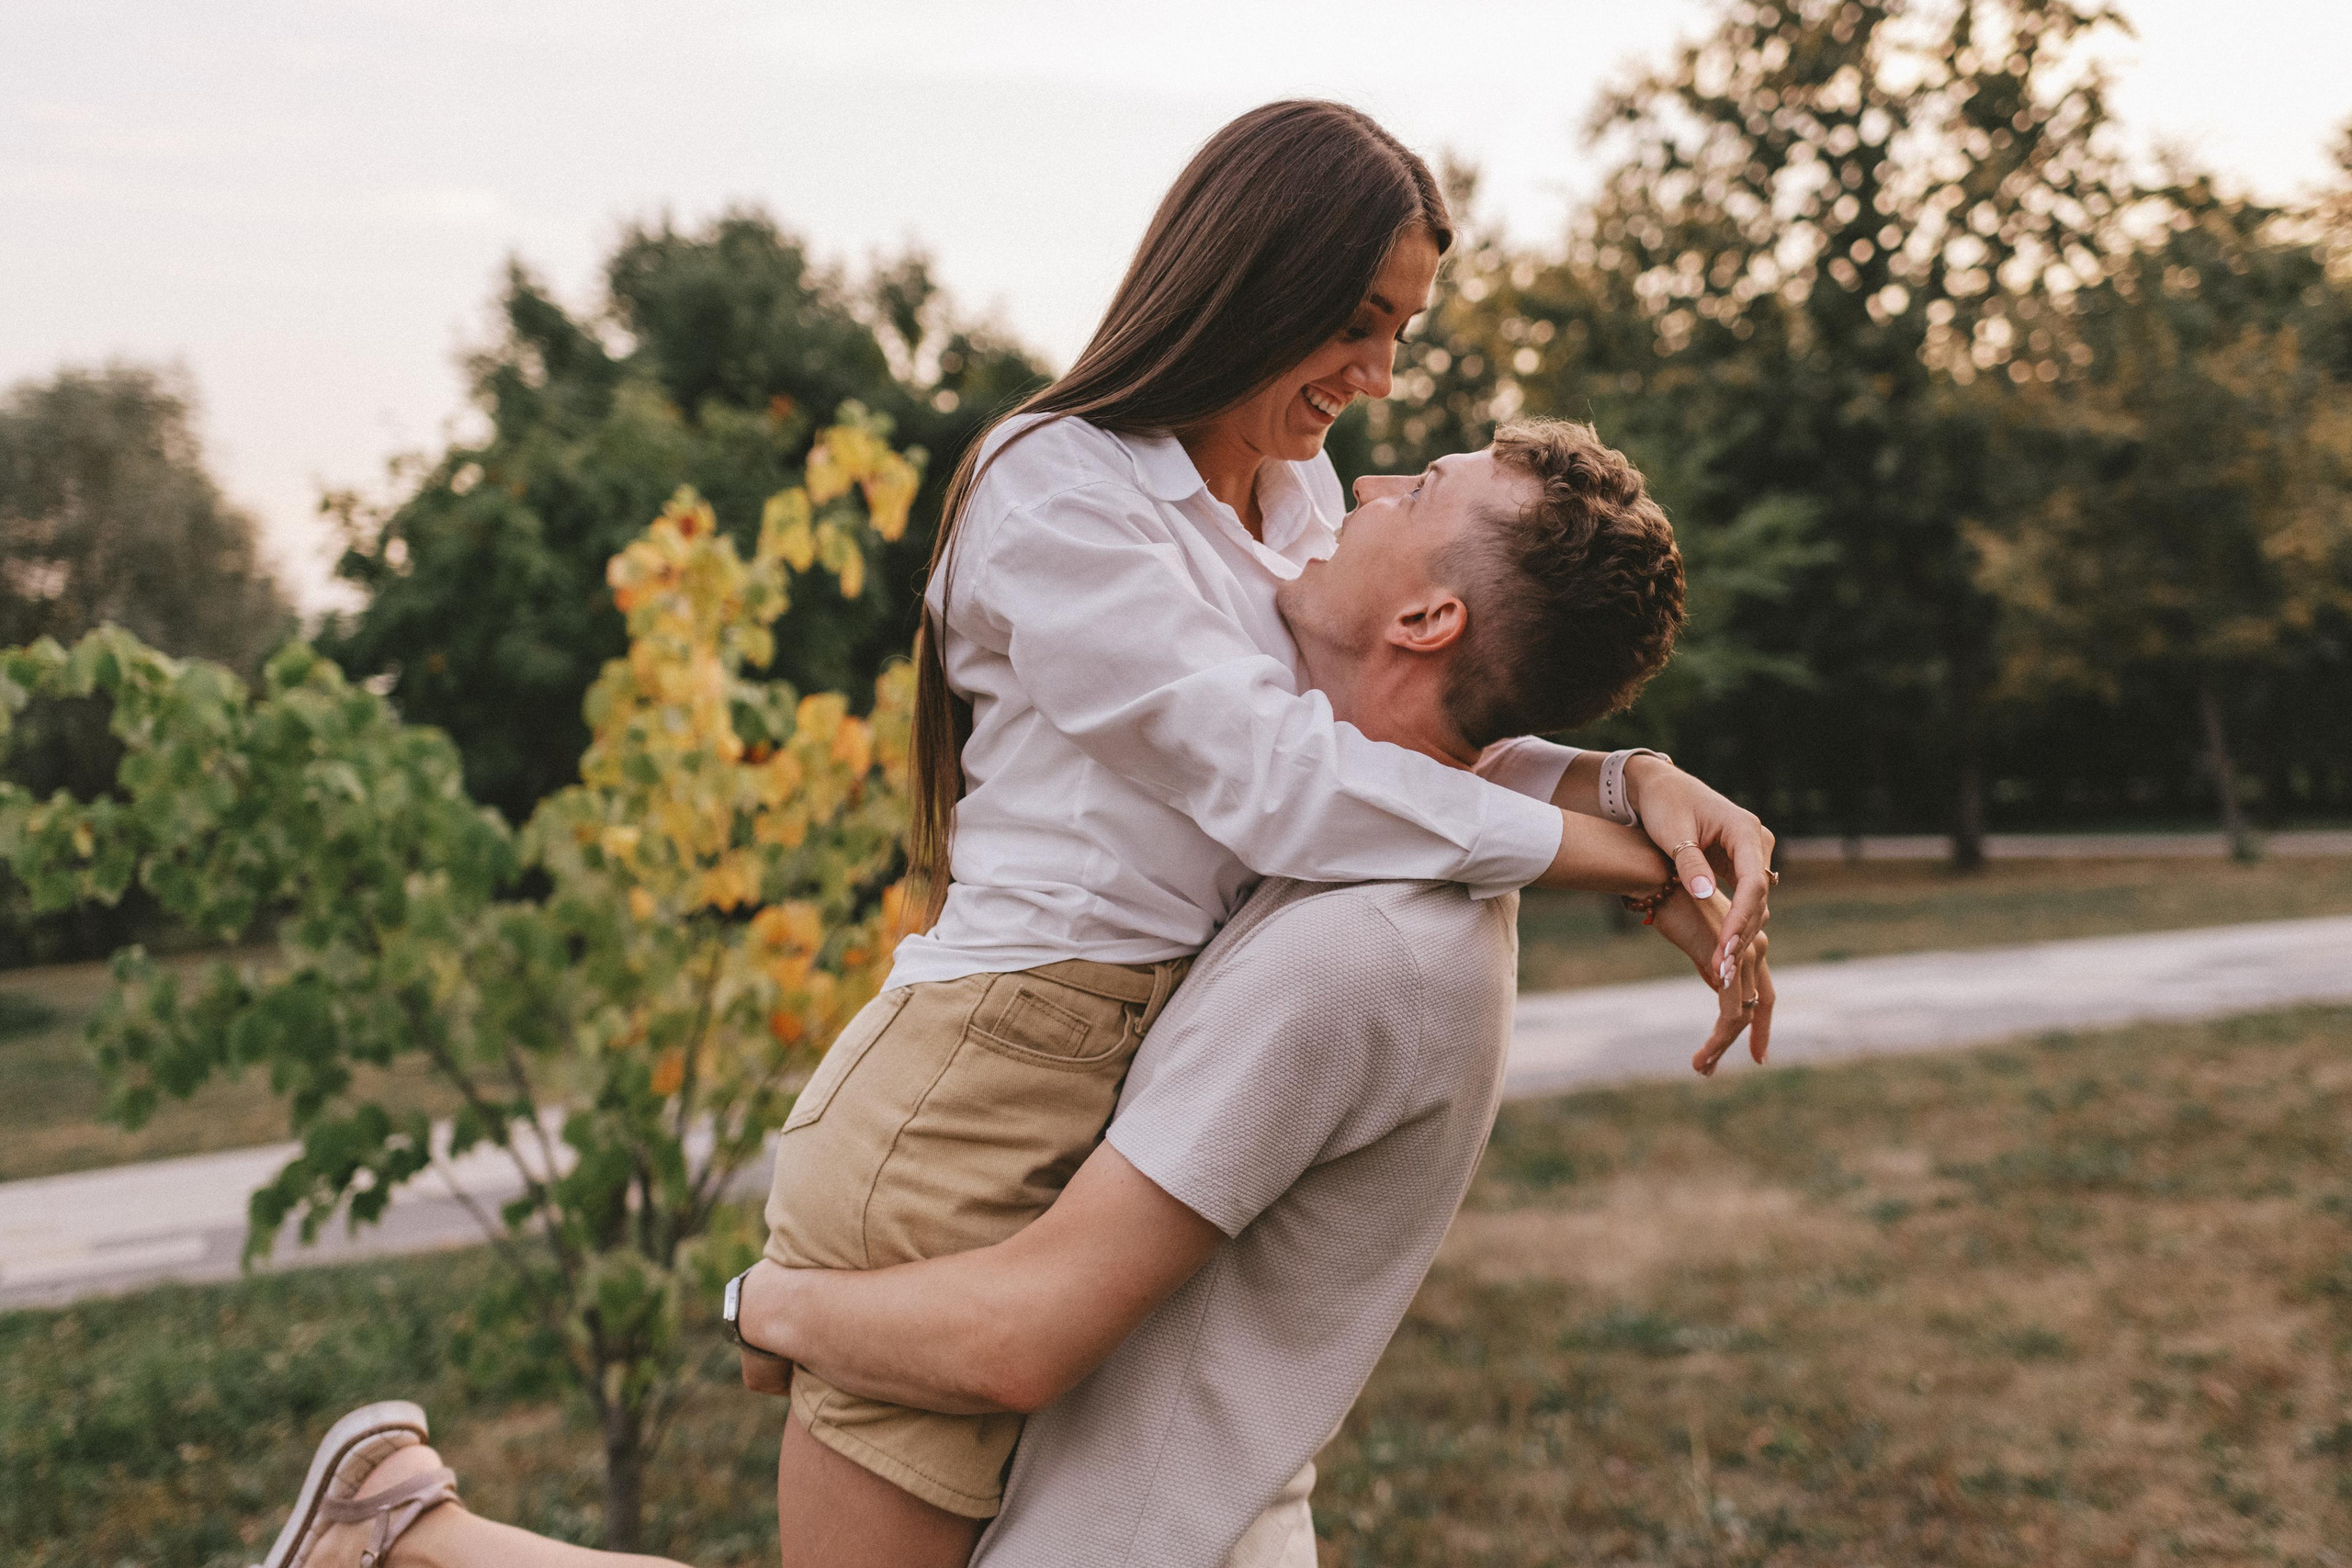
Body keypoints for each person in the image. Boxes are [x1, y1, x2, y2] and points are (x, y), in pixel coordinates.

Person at [249, 420, 1772, 1568]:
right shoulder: (1361, 844)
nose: (1367, 483)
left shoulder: (1361, 947)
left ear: (1432, 621)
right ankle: (403, 1535)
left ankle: (406, 1539)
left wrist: (763, 1301)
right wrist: (1631, 787)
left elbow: (1020, 1336)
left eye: (1419, 491)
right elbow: (1381, 763)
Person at [754, 97, 1773, 1561]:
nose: (1377, 380)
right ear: (1252, 278)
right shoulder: (1056, 487)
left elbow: (1384, 729)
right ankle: (405, 1542)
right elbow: (1283, 780)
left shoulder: (1288, 494)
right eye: (1360, 323)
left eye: (1403, 333)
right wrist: (1606, 852)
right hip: (985, 1081)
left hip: (1114, 1055)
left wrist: (1629, 782)